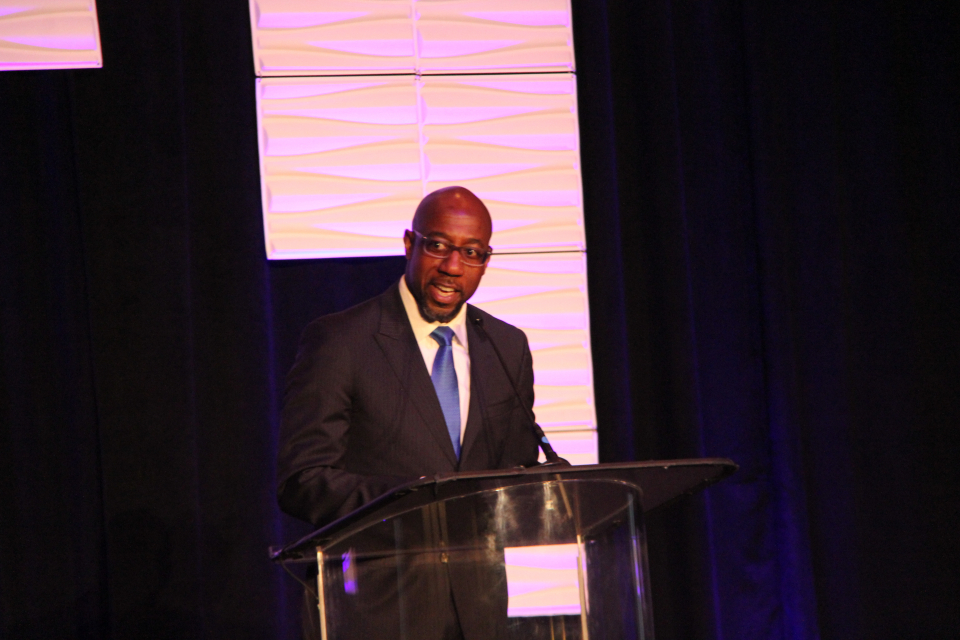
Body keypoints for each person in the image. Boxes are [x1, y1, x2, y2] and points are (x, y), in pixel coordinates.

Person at [277, 186, 541, 640]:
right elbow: (303, 480)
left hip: (480, 614)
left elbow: (514, 474)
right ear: (408, 243)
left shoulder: (506, 345)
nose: (452, 267)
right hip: (377, 611)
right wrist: (412, 504)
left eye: (471, 253)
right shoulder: (342, 342)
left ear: (486, 259)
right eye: (438, 246)